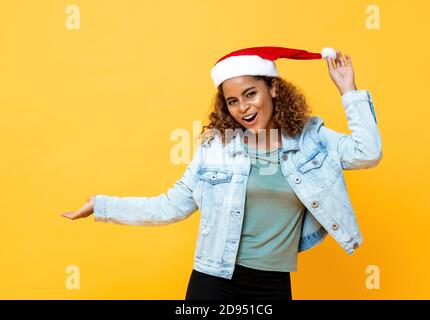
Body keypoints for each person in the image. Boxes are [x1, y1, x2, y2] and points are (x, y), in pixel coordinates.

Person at [60, 46, 382, 300]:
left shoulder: (312, 137)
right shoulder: (217, 148)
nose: (243, 107)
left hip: (273, 284)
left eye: (250, 93)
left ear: (273, 89)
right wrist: (102, 206)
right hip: (214, 281)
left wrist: (348, 90)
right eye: (232, 101)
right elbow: (170, 205)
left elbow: (367, 153)